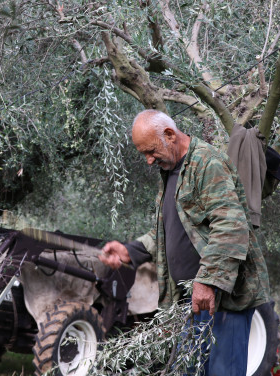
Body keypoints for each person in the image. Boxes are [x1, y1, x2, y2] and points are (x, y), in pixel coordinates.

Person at [99, 109, 270, 376]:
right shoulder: (170, 171)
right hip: (191, 302)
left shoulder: (207, 163)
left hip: (224, 298)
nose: (147, 160)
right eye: (143, 153)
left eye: (151, 151)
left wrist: (207, 282)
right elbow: (171, 231)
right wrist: (129, 251)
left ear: (169, 135)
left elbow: (231, 227)